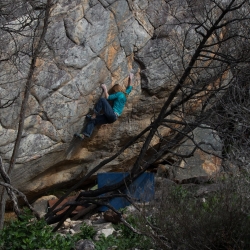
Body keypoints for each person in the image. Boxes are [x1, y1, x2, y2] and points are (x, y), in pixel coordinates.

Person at [74, 72, 134, 140]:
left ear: (116, 90)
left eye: (114, 91)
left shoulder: (119, 94)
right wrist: (130, 78)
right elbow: (129, 87)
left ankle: (94, 115)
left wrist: (105, 88)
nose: (114, 92)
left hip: (112, 115)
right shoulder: (125, 94)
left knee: (102, 100)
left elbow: (107, 97)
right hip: (113, 119)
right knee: (94, 121)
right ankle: (84, 135)